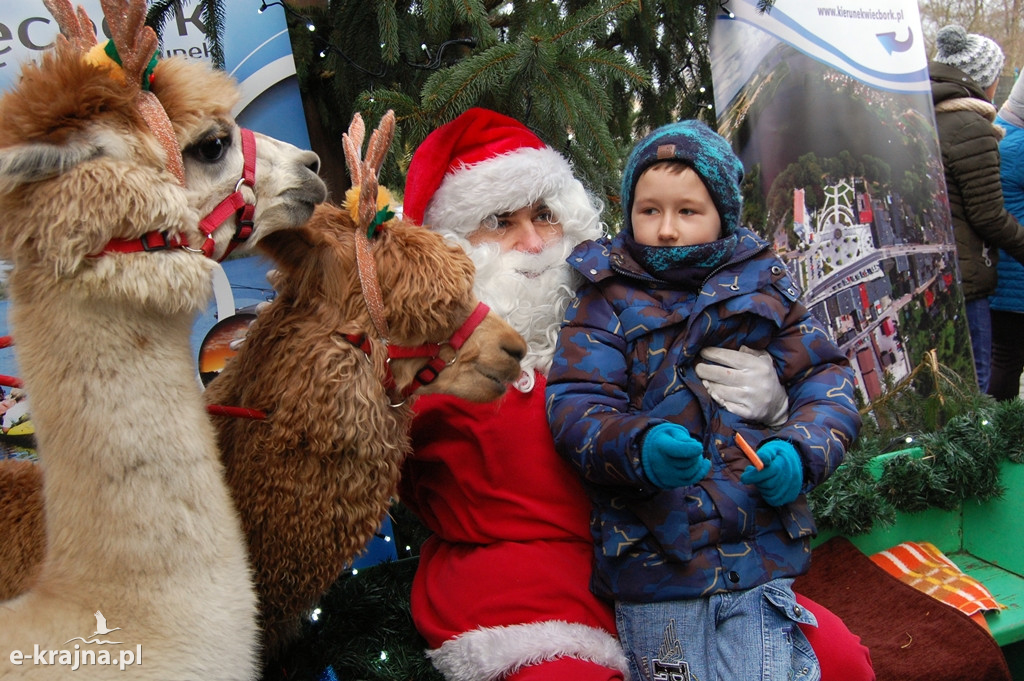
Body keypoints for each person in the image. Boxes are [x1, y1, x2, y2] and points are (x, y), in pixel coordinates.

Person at [399, 108, 873, 680]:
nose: (531, 243)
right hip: (530, 598)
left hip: (687, 559)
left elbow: (820, 375)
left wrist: (782, 411)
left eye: (545, 216)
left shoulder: (645, 299)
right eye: (500, 221)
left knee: (840, 661)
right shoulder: (427, 364)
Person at [545, 119, 862, 681]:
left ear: (722, 214)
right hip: (655, 556)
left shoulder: (766, 284)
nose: (666, 229)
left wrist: (800, 452)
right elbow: (577, 405)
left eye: (687, 211)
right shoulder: (605, 298)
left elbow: (827, 380)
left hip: (757, 548)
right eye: (649, 210)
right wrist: (638, 446)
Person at [929, 25, 1024, 392]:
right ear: (986, 81)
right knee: (977, 382)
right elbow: (988, 214)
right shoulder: (972, 127)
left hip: (935, 272)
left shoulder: (926, 113)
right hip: (968, 275)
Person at [989, 72, 1024, 401]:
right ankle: (1005, 435)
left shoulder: (1000, 131)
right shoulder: (1021, 145)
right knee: (1008, 361)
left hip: (1003, 273)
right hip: (1019, 276)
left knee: (1005, 358)